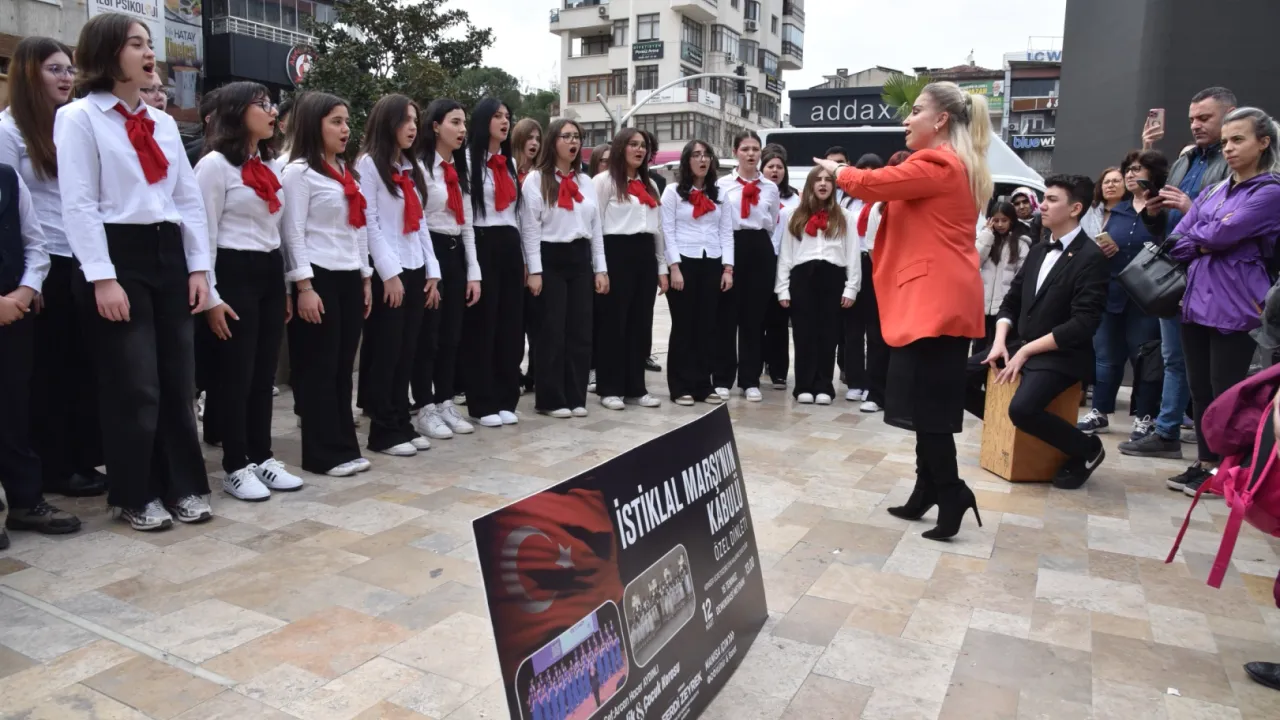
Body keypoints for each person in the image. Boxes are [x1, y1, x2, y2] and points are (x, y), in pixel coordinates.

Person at [814, 81, 991, 540]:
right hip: (935, 299)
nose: (906, 120)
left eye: (915, 111)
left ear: (941, 120)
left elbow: (871, 185)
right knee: (921, 404)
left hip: (937, 302)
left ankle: (951, 491)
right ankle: (927, 488)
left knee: (929, 407)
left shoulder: (938, 163)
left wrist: (837, 169)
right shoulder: (951, 164)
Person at [57, 13, 212, 530]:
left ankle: (183, 485)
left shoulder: (162, 123)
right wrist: (102, 277)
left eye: (150, 44)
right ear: (107, 53)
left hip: (168, 252)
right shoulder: (79, 118)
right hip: (117, 254)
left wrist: (199, 268)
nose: (149, 54)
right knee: (134, 383)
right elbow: (78, 204)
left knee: (178, 380)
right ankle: (136, 492)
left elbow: (187, 201)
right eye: (136, 44)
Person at [0, 37, 108, 503]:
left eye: (69, 69)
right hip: (39, 267)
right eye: (54, 69)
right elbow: (8, 210)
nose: (67, 78)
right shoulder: (9, 131)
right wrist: (31, 278)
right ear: (28, 74)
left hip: (79, 257)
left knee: (79, 367)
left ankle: (78, 460)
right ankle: (53, 469)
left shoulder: (71, 124)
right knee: (47, 373)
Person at [195, 81, 305, 500]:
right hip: (232, 269)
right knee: (235, 374)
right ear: (237, 112)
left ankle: (262, 456)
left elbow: (278, 231)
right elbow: (202, 233)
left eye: (271, 104)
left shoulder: (270, 165)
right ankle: (235, 464)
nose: (272, 111)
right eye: (261, 104)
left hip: (268, 270)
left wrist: (287, 286)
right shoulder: (214, 166)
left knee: (263, 374)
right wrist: (212, 297)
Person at [966, 174, 1109, 488]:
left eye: (1052, 200)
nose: (1042, 205)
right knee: (956, 379)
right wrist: (999, 342)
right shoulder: (1040, 249)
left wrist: (1027, 351)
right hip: (1019, 344)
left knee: (1023, 409)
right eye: (1044, 198)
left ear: (1075, 209)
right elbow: (1011, 302)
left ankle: (1087, 449)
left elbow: (1083, 324)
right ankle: (1006, 428)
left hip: (1061, 354)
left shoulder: (1091, 258)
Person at [1165, 107, 1280, 496]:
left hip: (1238, 305)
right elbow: (1177, 241)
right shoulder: (1215, 190)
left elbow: (1219, 234)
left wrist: (1205, 236)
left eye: (1238, 140)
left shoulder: (1270, 191)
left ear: (1263, 143)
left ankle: (1227, 470)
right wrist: (1207, 237)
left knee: (1227, 391)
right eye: (1226, 141)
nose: (1228, 148)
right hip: (1195, 301)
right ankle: (1205, 462)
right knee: (1200, 388)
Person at [1125, 87, 1237, 482]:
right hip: (1174, 272)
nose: (1196, 125)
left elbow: (1229, 223)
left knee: (1213, 374)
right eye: (1192, 118)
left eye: (1205, 118)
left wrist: (1191, 209)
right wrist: (1154, 212)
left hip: (1214, 278)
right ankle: (1172, 434)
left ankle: (1212, 456)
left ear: (1230, 116)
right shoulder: (1185, 160)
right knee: (1177, 359)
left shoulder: (1235, 166)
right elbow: (1167, 225)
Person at [281, 91, 372, 477]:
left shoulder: (345, 172)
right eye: (336, 121)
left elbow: (358, 227)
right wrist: (304, 287)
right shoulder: (298, 172)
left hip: (349, 275)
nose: (345, 128)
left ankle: (345, 447)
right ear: (313, 124)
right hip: (318, 277)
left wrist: (365, 276)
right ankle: (322, 454)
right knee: (319, 367)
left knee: (342, 368)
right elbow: (293, 232)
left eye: (346, 121)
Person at [356, 94, 441, 456]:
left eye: (415, 120)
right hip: (388, 271)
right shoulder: (368, 165)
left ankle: (402, 422)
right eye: (405, 120)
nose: (412, 127)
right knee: (387, 353)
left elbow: (419, 223)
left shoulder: (410, 167)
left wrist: (432, 271)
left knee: (408, 351)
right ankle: (383, 430)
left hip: (414, 266)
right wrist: (388, 273)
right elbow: (369, 222)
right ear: (386, 122)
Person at [1076, 151, 1167, 441]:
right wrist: (1103, 250)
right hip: (1112, 293)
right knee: (1105, 357)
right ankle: (1100, 411)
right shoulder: (1119, 210)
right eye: (1128, 169)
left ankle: (1145, 417)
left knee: (1144, 359)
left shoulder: (1162, 208)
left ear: (1152, 174)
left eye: (1137, 169)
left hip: (1146, 297)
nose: (1129, 174)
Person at [520, 118, 607, 418]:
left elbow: (596, 229)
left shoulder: (585, 182)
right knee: (551, 331)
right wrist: (534, 271)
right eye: (567, 136)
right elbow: (530, 229)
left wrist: (601, 269)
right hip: (550, 257)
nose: (573, 142)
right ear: (553, 141)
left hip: (580, 258)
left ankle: (576, 395)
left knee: (580, 331)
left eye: (577, 137)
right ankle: (550, 398)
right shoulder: (536, 180)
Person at [412, 99, 481, 439]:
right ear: (436, 126)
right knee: (429, 336)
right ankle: (424, 405)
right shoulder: (420, 168)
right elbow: (418, 221)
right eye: (455, 122)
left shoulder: (459, 169)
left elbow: (466, 223)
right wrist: (431, 270)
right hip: (430, 252)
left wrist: (473, 271)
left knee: (452, 335)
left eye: (464, 123)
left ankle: (445, 400)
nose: (462, 129)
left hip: (455, 253)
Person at [592, 128, 666, 411]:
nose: (639, 150)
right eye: (633, 144)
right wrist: (599, 268)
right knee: (613, 324)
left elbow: (658, 229)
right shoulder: (604, 182)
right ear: (621, 147)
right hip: (616, 254)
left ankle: (636, 387)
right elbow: (595, 226)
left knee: (640, 324)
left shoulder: (650, 184)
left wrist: (661, 267)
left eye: (643, 145)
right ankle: (609, 388)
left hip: (644, 256)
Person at [775, 166, 860, 405]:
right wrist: (782, 288)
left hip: (833, 276)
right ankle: (803, 384)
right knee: (803, 333)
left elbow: (853, 253)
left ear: (834, 185)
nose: (823, 184)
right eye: (818, 180)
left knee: (829, 333)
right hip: (802, 276)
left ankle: (824, 385)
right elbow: (786, 253)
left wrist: (851, 287)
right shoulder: (795, 215)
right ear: (810, 184)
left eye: (827, 180)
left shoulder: (845, 216)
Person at [463, 98, 524, 428]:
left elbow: (517, 214)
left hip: (510, 244)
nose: (504, 121)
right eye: (497, 116)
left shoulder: (509, 162)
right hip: (483, 242)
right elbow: (467, 215)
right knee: (483, 327)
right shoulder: (467, 161)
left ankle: (506, 397)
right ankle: (481, 401)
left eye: (507, 116)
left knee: (510, 326)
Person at [662, 139, 733, 406]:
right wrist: (674, 267)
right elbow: (667, 230)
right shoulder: (672, 192)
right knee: (684, 326)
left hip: (711, 261)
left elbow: (726, 232)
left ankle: (703, 384)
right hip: (683, 262)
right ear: (686, 160)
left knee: (707, 326)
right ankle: (680, 385)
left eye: (706, 155)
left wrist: (728, 268)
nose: (702, 160)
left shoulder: (720, 194)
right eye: (696, 155)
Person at [714, 131, 780, 402]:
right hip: (731, 245)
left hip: (760, 248)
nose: (751, 154)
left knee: (754, 318)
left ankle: (750, 379)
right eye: (745, 149)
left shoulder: (770, 188)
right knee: (726, 317)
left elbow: (772, 221)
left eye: (755, 149)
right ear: (735, 152)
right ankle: (722, 378)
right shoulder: (722, 185)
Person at [843, 152, 889, 410]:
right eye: (864, 172)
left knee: (875, 329)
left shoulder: (885, 204)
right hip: (852, 263)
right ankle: (854, 381)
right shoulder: (847, 202)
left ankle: (874, 385)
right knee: (852, 329)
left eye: (874, 172)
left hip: (877, 264)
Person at [974, 201, 1033, 357]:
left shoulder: (1021, 244)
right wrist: (987, 235)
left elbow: (1022, 276)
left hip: (1005, 307)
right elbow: (975, 262)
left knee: (1000, 349)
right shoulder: (985, 239)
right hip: (982, 306)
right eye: (996, 220)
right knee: (978, 350)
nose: (1000, 224)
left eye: (1004, 220)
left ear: (1012, 220)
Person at [512, 118, 542, 394]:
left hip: (539, 257)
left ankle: (536, 372)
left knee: (538, 321)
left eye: (538, 139)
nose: (534, 143)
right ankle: (514, 373)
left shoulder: (542, 176)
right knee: (514, 323)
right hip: (512, 255)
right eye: (529, 138)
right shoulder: (508, 171)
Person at [762, 147, 796, 389]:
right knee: (756, 318)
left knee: (779, 319)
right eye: (770, 166)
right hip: (760, 259)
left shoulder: (795, 199)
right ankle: (753, 365)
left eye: (779, 167)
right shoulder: (756, 193)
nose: (775, 171)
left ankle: (778, 371)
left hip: (785, 262)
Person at [584, 142, 609, 394]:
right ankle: (591, 368)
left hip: (606, 257)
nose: (608, 166)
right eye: (604, 161)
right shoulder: (593, 184)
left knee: (604, 319)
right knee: (589, 319)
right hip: (586, 258)